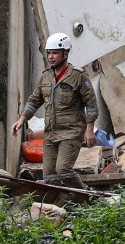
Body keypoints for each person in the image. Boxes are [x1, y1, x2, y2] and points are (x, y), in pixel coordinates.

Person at [11, 33, 98, 189]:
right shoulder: (46, 77)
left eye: (55, 53)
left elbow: (91, 104)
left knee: (63, 170)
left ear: (65, 54)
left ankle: (87, 198)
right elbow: (34, 100)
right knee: (50, 177)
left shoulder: (78, 76)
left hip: (71, 132)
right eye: (49, 53)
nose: (51, 57)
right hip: (51, 133)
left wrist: (89, 129)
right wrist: (22, 119)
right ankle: (64, 204)